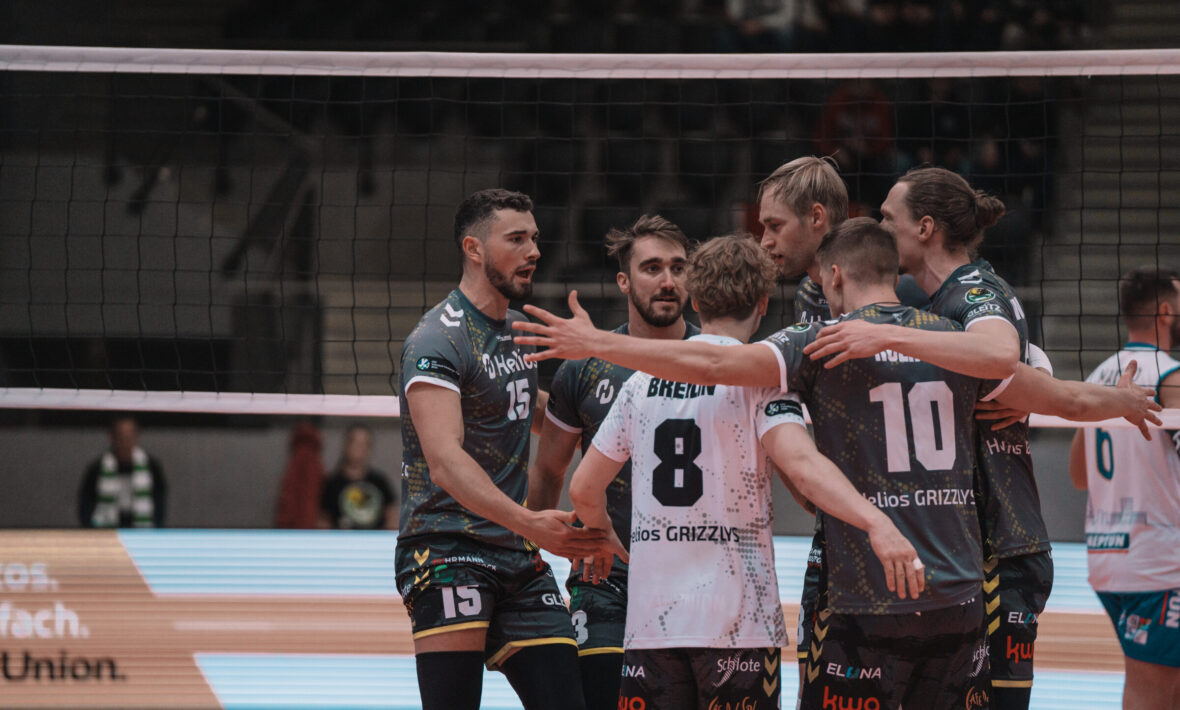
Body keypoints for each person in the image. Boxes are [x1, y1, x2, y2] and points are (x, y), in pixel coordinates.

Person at [802, 167, 1158, 709]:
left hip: (1001, 546)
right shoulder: (938, 303)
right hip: (972, 544)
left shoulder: (972, 292)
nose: (879, 229)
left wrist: (884, 334)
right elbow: (1054, 392)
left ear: (925, 228)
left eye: (888, 219)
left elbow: (1000, 355)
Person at [568, 232, 923, 710]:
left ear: (694, 300)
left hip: (652, 625)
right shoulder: (764, 381)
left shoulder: (640, 383)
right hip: (739, 624)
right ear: (762, 303)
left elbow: (583, 487)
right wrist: (874, 520)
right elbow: (802, 467)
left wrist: (602, 534)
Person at [395, 188, 606, 710]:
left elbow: (532, 410)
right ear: (473, 248)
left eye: (534, 238)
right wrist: (531, 522)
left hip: (515, 554)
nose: (533, 251)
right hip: (446, 549)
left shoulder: (517, 331)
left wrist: (612, 412)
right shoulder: (436, 339)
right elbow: (445, 463)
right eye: (516, 239)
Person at [528, 214, 698, 710]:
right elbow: (549, 470)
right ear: (624, 281)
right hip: (603, 574)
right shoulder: (584, 369)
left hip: (695, 573)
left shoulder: (720, 359)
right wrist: (530, 553)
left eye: (678, 267)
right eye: (652, 268)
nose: (667, 281)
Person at [1069, 267, 1180, 710]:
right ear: (1166, 311)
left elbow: (1079, 476)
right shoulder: (1170, 376)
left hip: (1107, 557)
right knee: (1151, 690)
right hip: (1159, 564)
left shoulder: (1098, 376)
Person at [78, 414, 166, 528]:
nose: (125, 442)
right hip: (106, 530)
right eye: (121, 437)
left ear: (136, 436)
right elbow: (86, 504)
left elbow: (159, 504)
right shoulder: (97, 469)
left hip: (142, 530)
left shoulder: (151, 468)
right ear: (112, 437)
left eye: (129, 436)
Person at [319, 424, 397, 530]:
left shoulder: (380, 482)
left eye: (364, 444)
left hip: (375, 539)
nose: (359, 448)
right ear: (346, 445)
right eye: (355, 442)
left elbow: (392, 519)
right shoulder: (331, 484)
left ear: (369, 448)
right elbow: (323, 522)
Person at [275, 421, 325, 529]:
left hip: (295, 527)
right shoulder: (313, 460)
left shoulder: (297, 459)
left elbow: (288, 496)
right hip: (307, 526)